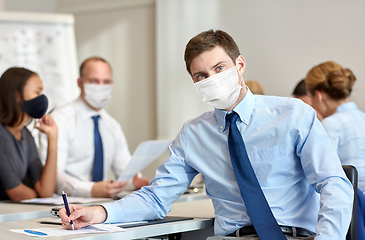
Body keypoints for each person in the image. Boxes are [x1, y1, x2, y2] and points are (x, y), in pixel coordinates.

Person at [59, 30, 353, 239]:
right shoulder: (193, 134)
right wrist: (99, 212)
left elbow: (333, 183)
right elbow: (155, 198)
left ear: (240, 65)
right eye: (201, 76)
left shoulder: (292, 114)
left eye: (219, 68)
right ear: (193, 81)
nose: (211, 80)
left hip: (295, 236)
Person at [49, 57, 150, 198]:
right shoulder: (60, 119)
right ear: (80, 83)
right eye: (94, 81)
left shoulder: (112, 125)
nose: (100, 87)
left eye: (106, 82)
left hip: (102, 204)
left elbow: (125, 171)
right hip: (65, 204)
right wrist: (91, 190)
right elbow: (52, 174)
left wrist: (137, 182)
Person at [305, 61, 365, 238]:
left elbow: (323, 174)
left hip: (356, 209)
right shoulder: (363, 118)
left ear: (318, 95)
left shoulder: (330, 125)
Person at [0, 67, 58, 201]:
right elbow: (16, 192)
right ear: (16, 96)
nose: (42, 98)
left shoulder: (25, 134)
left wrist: (53, 138)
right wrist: (37, 196)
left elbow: (45, 190)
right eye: (37, 92)